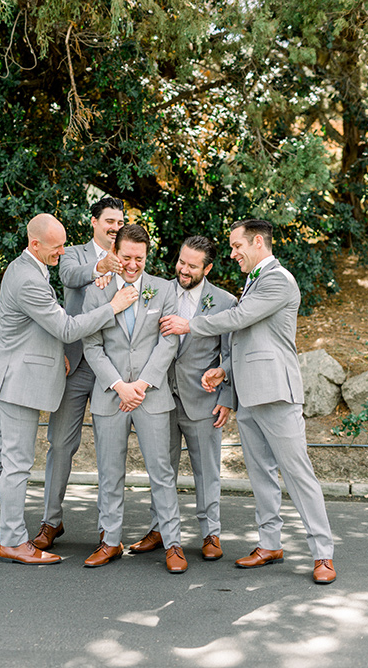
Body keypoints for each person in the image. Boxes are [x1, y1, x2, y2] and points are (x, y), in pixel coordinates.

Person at [160, 219, 336, 585]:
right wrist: (224, 370)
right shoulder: (254, 280)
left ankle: (323, 553)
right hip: (249, 395)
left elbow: (240, 317)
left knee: (298, 474)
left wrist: (189, 325)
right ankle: (270, 544)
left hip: (276, 392)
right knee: (261, 475)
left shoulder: (277, 279)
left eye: (237, 246)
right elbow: (247, 339)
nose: (232, 253)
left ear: (258, 242)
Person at [0, 213, 137, 565]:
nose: (61, 252)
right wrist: (112, 307)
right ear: (35, 244)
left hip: (13, 375)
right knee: (17, 462)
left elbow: (37, 327)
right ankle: (13, 540)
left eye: (62, 245)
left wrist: (58, 355)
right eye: (55, 247)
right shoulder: (28, 278)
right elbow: (67, 328)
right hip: (21, 382)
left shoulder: (26, 267)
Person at [82, 224, 188, 573]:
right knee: (110, 472)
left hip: (151, 396)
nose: (132, 264)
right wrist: (118, 385)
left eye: (139, 258)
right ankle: (110, 541)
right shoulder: (98, 292)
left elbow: (169, 342)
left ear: (147, 255)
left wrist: (141, 384)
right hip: (111, 395)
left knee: (161, 473)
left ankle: (172, 543)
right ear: (115, 252)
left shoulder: (163, 290)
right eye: (126, 257)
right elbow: (92, 345)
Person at [129, 236, 237, 561]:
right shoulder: (158, 291)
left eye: (192, 265)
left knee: (207, 470)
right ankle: (159, 528)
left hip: (202, 400)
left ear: (208, 268)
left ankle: (210, 533)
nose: (184, 269)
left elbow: (230, 354)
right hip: (160, 398)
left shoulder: (225, 302)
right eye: (181, 261)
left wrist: (227, 397)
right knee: (162, 468)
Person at [32, 197, 125, 551]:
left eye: (119, 221)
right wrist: (101, 267)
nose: (114, 227)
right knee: (60, 445)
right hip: (74, 364)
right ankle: (50, 522)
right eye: (109, 220)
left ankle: (108, 528)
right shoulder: (72, 255)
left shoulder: (128, 258)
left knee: (109, 447)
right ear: (94, 222)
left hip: (110, 368)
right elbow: (68, 277)